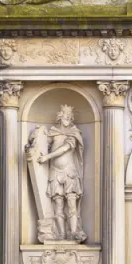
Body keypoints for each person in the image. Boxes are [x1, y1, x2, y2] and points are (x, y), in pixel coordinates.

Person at [38, 104, 86, 242]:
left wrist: (47, 157)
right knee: (58, 204)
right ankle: (61, 235)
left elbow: (65, 148)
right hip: (55, 172)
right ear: (60, 116)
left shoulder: (73, 132)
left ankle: (73, 232)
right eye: (65, 114)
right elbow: (42, 145)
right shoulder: (53, 132)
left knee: (71, 203)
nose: (67, 117)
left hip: (69, 172)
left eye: (70, 116)